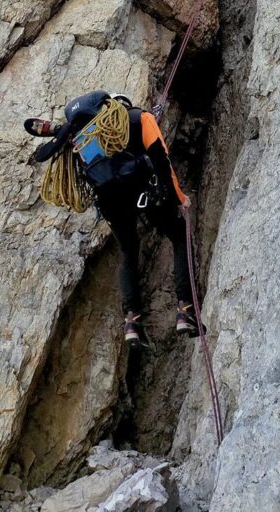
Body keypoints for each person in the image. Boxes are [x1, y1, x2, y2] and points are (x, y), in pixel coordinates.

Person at [25, 90, 200, 348]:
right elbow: (162, 161)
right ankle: (186, 310)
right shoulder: (141, 119)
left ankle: (132, 321)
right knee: (177, 233)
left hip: (109, 202)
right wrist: (179, 198)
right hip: (143, 189)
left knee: (129, 251)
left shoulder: (82, 138)